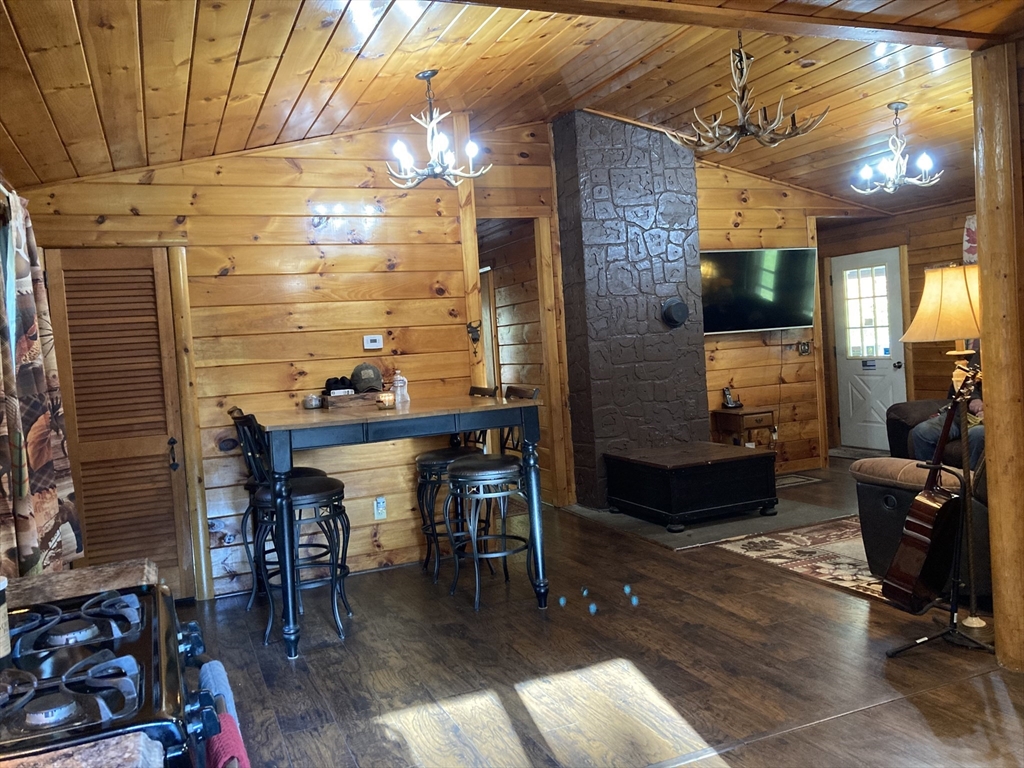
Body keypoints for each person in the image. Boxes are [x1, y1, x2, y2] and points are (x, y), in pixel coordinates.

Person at [911, 370, 985, 470]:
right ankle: (933, 476)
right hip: (961, 415)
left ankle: (974, 479)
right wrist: (974, 398)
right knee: (922, 431)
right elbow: (963, 379)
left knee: (977, 434)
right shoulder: (978, 361)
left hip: (988, 421)